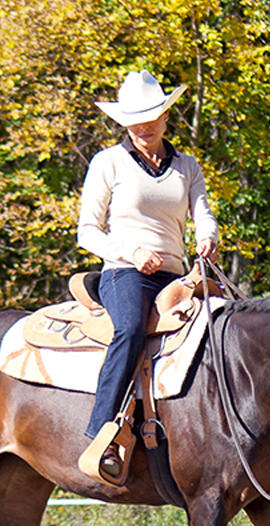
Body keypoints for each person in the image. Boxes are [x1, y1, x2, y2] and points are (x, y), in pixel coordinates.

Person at [77, 69, 218, 479]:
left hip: (177, 276)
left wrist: (207, 238)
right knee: (131, 330)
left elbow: (203, 214)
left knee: (226, 324)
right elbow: (87, 231)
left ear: (166, 116)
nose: (142, 126)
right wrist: (132, 253)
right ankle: (102, 429)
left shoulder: (187, 166)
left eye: (151, 117)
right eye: (133, 120)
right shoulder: (108, 162)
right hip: (126, 272)